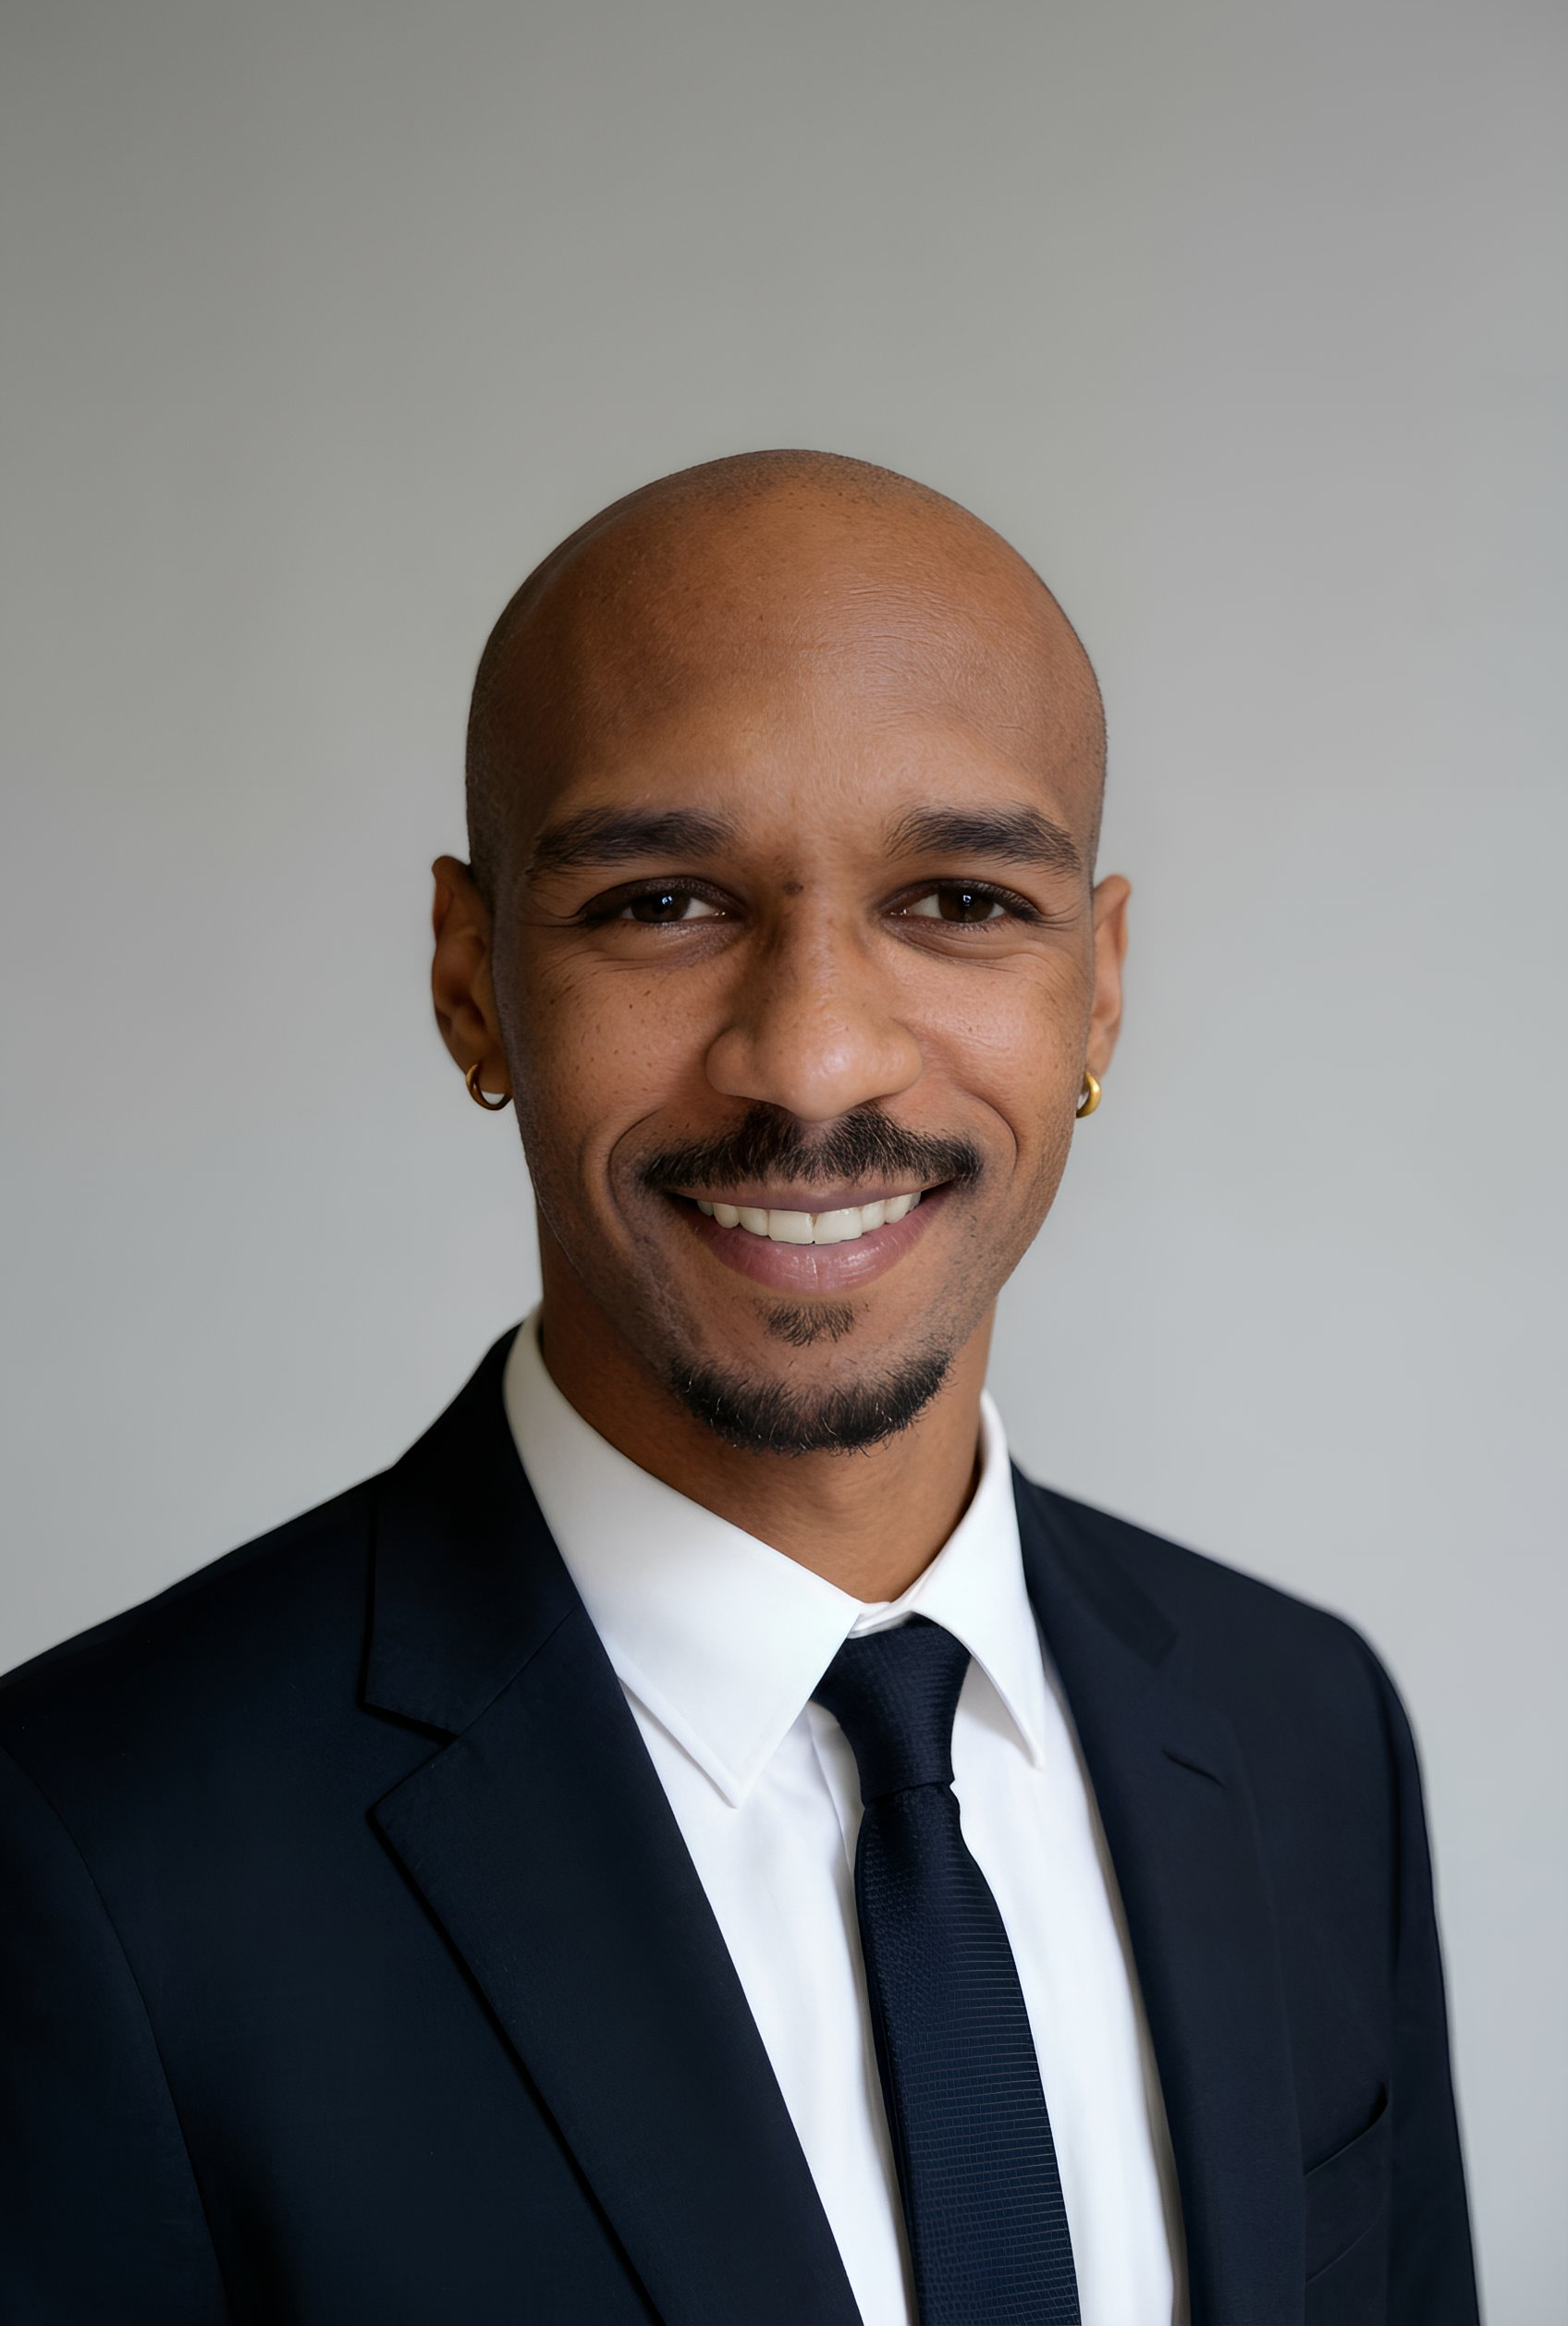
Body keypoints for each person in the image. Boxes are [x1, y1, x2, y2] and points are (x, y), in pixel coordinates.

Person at [0, 451, 1477, 2324]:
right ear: (470, 980)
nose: (811, 1058)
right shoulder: (88, 1852)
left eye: (954, 898)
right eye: (660, 902)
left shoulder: (1304, 1733)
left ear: (1094, 990)